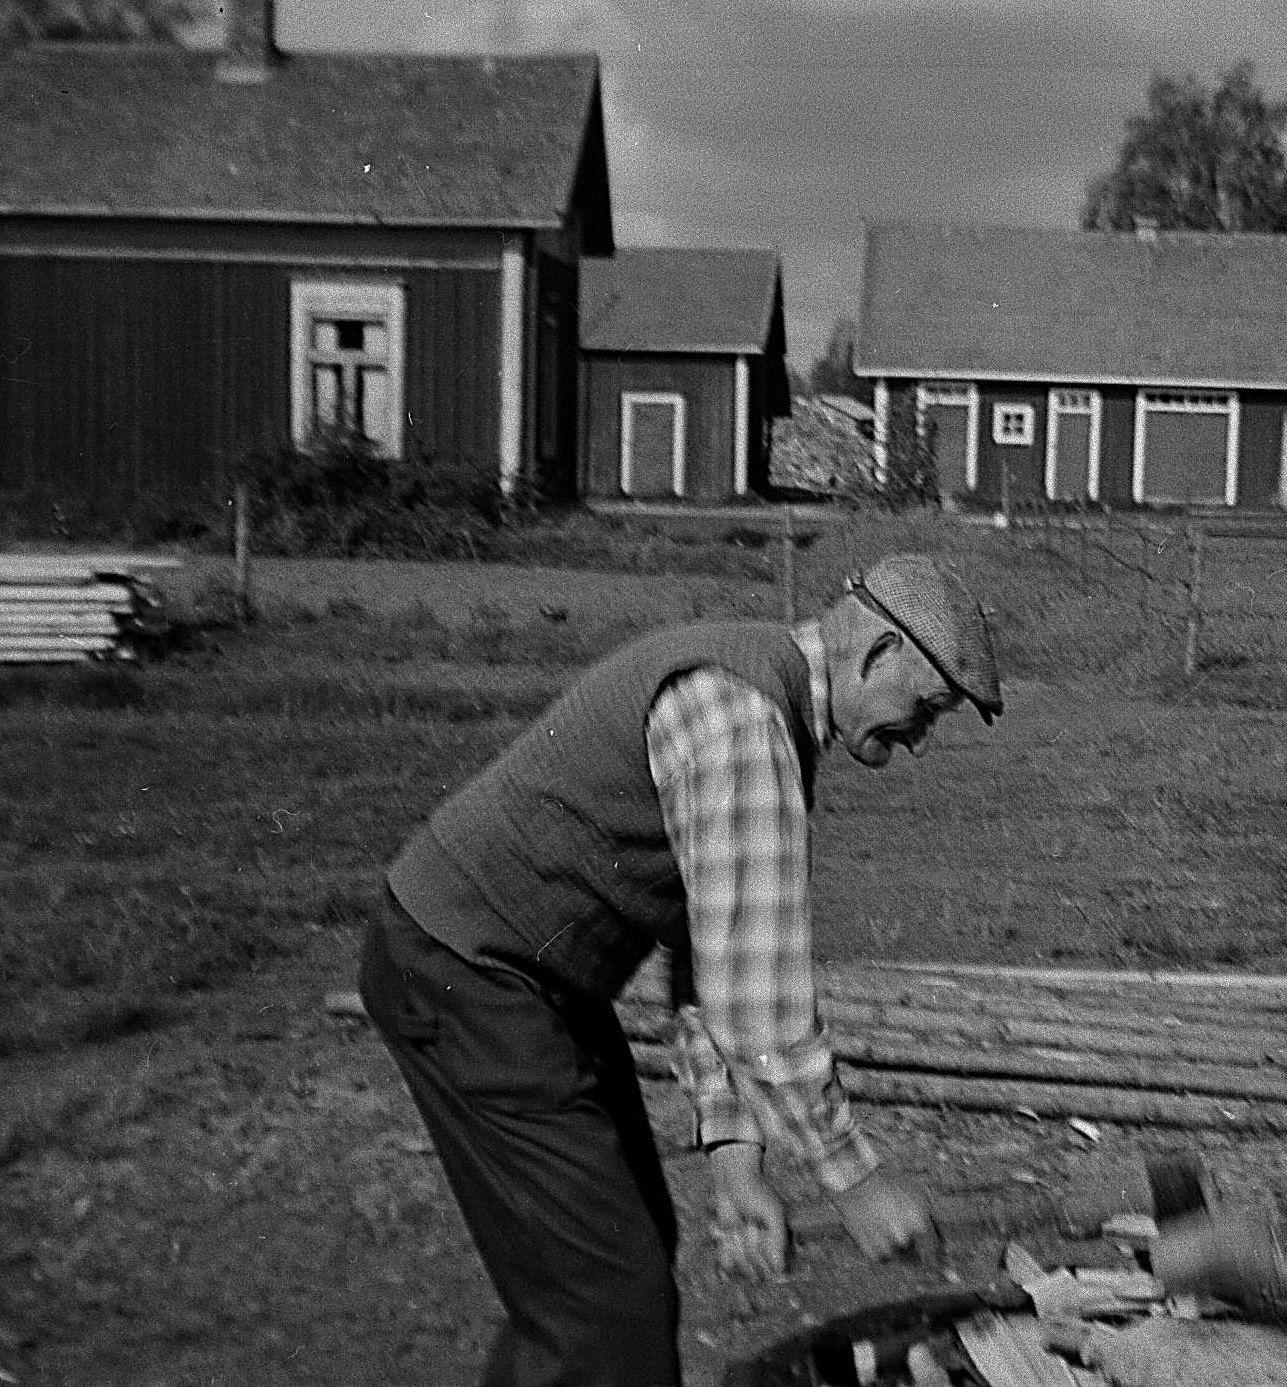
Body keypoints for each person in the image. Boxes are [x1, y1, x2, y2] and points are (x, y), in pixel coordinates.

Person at [357, 552, 1003, 1387]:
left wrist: (736, 1161)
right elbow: (760, 1013)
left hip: (525, 982)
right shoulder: (741, 717)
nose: (918, 741)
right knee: (606, 1304)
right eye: (926, 709)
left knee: (613, 1271)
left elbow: (708, 953)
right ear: (878, 653)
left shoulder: (763, 708)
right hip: (465, 972)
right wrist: (855, 1179)